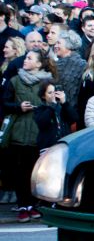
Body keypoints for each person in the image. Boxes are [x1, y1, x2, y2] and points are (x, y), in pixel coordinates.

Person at [2, 49, 53, 222]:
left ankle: (34, 204)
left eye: (30, 58)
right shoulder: (14, 81)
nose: (25, 60)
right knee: (20, 172)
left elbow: (53, 105)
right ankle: (23, 205)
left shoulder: (47, 82)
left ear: (38, 63)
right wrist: (18, 107)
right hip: (19, 133)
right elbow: (4, 103)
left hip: (40, 133)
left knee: (37, 173)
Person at [32, 80, 73, 149]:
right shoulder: (40, 109)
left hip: (64, 145)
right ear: (43, 96)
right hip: (48, 147)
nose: (53, 95)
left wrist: (65, 103)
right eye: (50, 93)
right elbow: (42, 122)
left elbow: (74, 118)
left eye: (54, 92)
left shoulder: (63, 107)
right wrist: (52, 105)